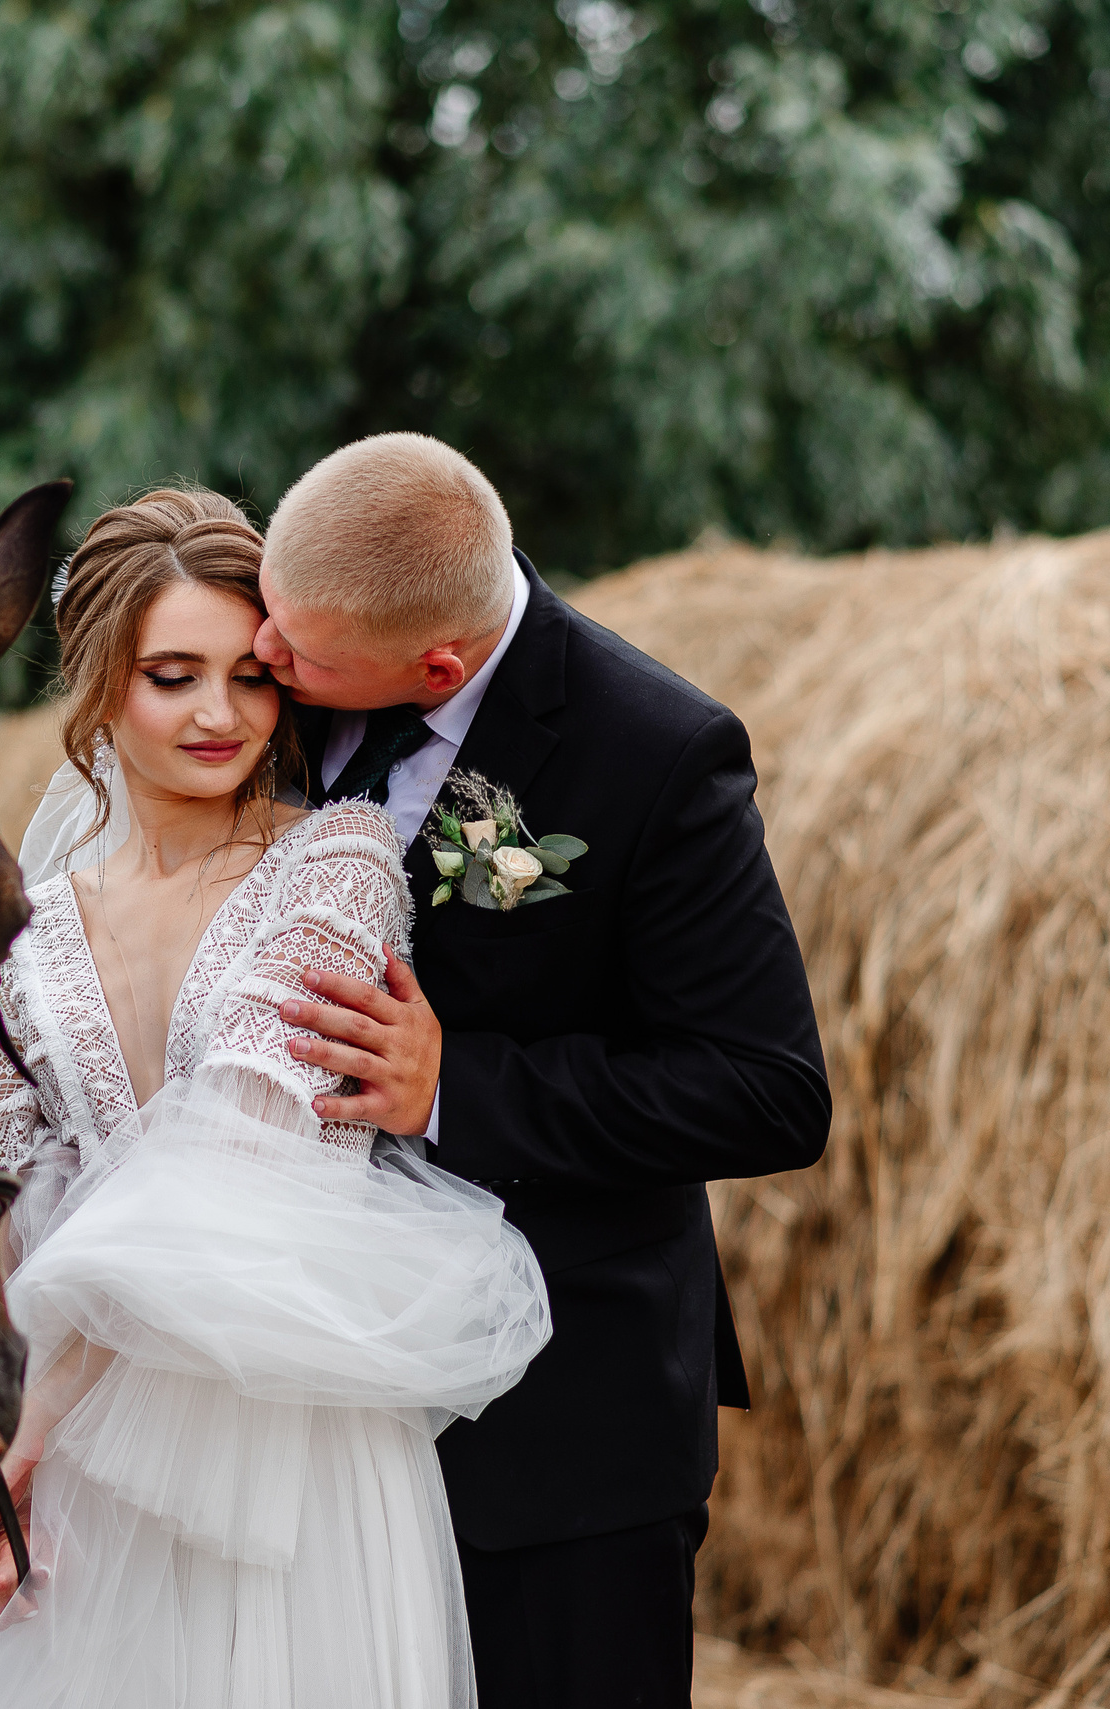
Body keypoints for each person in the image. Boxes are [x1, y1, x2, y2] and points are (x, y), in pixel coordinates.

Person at [0, 487, 552, 1707]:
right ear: (99, 685)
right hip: (71, 1454)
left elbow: (236, 1163)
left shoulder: (335, 864)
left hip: (279, 1448)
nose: (218, 713)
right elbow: (29, 1205)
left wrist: (22, 1445)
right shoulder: (28, 928)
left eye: (248, 676)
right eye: (171, 674)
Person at [246, 433, 833, 1705]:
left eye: (298, 649)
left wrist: (458, 1085)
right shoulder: (285, 687)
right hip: (323, 1416)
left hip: (561, 1431)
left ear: (438, 664)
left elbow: (768, 1085)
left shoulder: (658, 753)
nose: (262, 660)